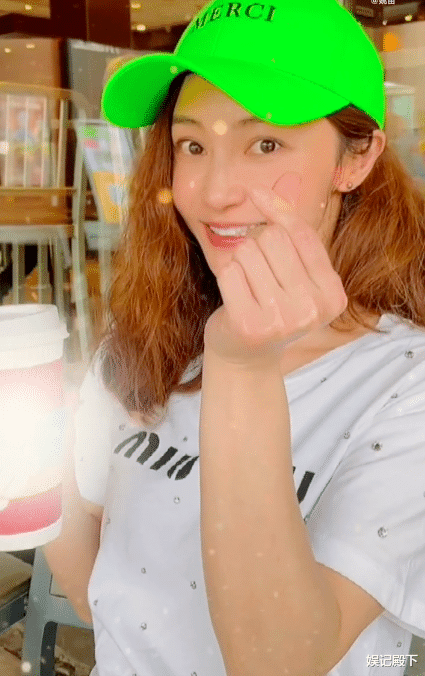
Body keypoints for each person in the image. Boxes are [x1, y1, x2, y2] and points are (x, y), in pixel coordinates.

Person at [43, 1, 425, 675]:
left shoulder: (405, 386)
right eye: (192, 146)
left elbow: (281, 662)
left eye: (265, 144)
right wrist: (31, 466)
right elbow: (94, 589)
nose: (215, 192)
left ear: (356, 158)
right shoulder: (146, 339)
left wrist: (242, 371)